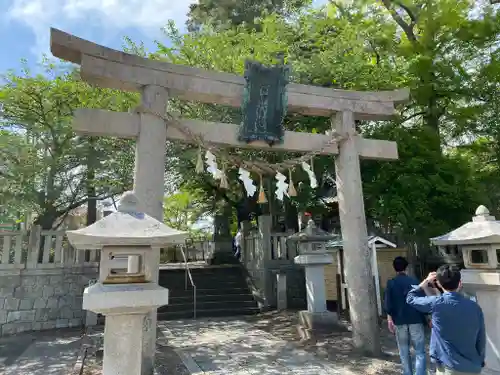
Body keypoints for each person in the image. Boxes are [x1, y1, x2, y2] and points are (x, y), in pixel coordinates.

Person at [407, 265, 486, 375]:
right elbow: (481, 339)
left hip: (448, 366)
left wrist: (425, 281)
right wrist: (480, 361)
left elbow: (410, 298)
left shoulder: (436, 303)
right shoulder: (475, 307)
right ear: (460, 283)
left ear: (439, 283)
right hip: (472, 367)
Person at [384, 256, 427, 375]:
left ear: (394, 268)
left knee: (403, 351)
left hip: (399, 320)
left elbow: (388, 304)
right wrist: (427, 317)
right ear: (406, 268)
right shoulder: (414, 282)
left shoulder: (391, 283)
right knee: (420, 351)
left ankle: (407, 373)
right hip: (416, 319)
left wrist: (389, 319)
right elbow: (422, 300)